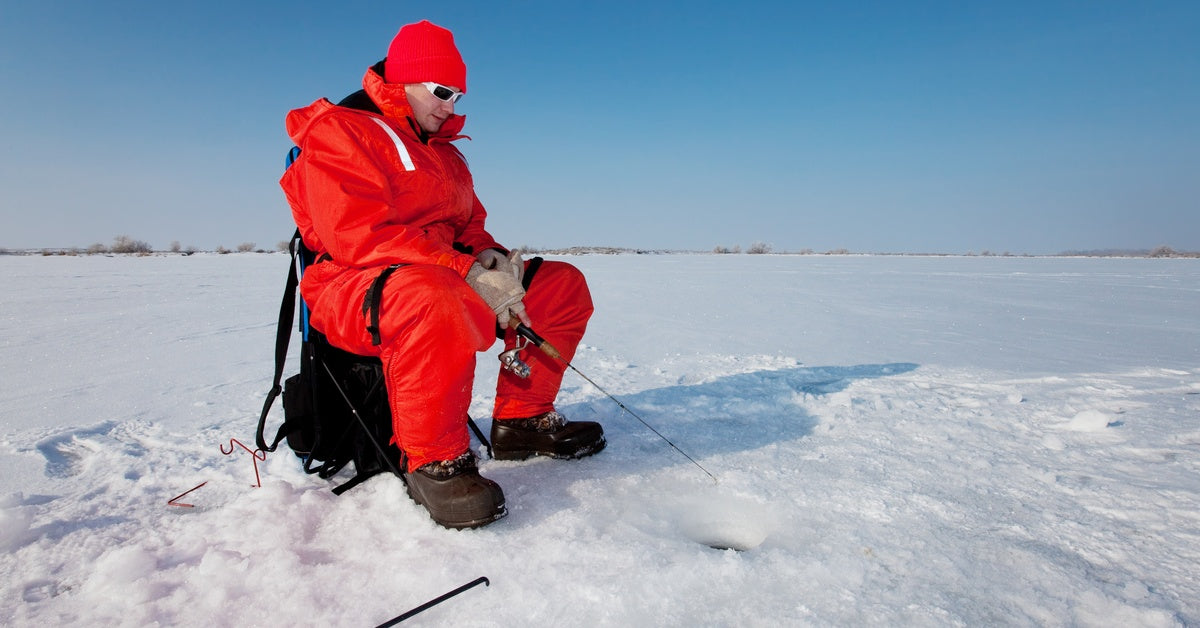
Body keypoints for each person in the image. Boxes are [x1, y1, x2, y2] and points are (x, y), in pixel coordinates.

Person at [279, 20, 605, 529]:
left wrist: (492, 257)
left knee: (560, 284)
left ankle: (521, 424)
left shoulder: (447, 154)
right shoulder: (341, 131)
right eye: (442, 92)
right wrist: (465, 270)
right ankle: (436, 462)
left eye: (458, 95)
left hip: (444, 277)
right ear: (404, 80)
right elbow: (356, 236)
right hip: (352, 284)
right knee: (432, 296)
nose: (452, 106)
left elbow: (470, 224)